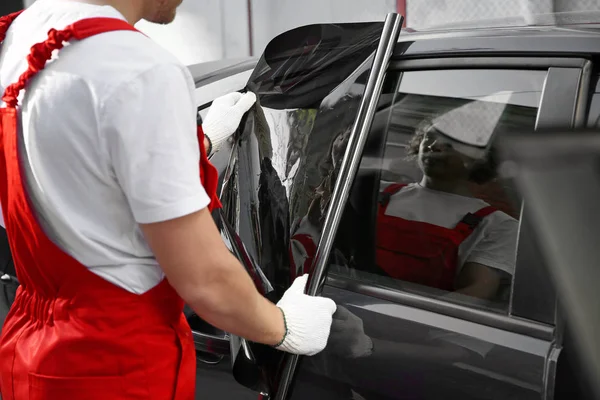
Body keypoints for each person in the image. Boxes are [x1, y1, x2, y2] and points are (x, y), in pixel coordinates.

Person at [0, 1, 336, 399]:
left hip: (32, 353)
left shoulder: (23, 34)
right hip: (113, 366)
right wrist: (283, 326)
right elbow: (204, 278)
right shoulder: (140, 70)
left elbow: (73, 165)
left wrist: (199, 142)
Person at [376, 117, 519, 300]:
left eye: (451, 144)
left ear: (481, 158)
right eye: (429, 137)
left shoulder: (498, 225)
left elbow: (475, 293)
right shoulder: (375, 192)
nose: (434, 146)